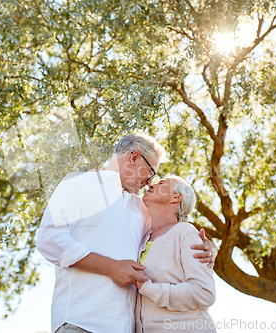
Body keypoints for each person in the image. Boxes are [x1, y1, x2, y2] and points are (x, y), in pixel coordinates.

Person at [36, 133, 217, 333]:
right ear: (134, 158)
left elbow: (172, 229)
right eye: (150, 173)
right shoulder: (80, 183)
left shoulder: (140, 208)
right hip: (81, 322)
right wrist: (111, 268)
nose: (149, 183)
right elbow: (50, 240)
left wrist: (209, 249)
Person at [135, 175, 216, 332]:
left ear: (176, 197)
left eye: (162, 183)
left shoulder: (184, 232)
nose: (151, 185)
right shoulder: (142, 238)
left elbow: (204, 292)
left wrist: (149, 289)